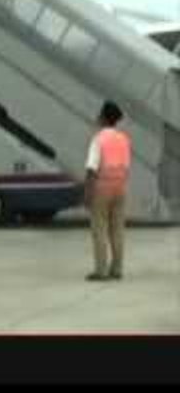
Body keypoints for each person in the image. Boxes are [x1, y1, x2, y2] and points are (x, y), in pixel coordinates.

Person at [84, 100, 132, 281]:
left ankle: (101, 271)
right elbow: (126, 166)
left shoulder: (98, 139)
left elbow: (91, 168)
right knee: (117, 230)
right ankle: (117, 268)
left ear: (103, 117)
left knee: (100, 230)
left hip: (102, 187)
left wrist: (88, 193)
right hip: (120, 187)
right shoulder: (124, 139)